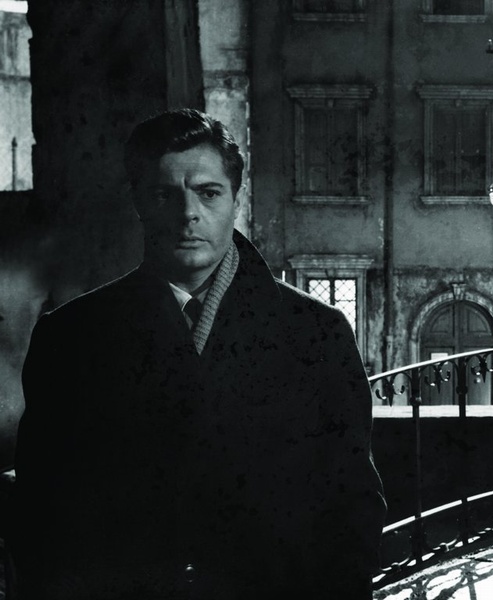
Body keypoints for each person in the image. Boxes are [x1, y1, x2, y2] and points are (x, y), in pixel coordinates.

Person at [10, 108, 386, 599]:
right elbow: (41, 518)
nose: (187, 214)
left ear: (236, 199)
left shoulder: (317, 333)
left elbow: (353, 509)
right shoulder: (70, 337)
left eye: (208, 193)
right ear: (138, 202)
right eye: (164, 194)